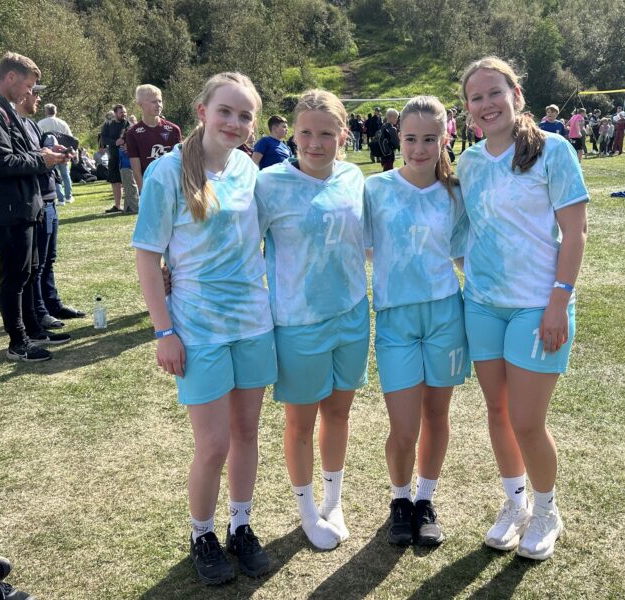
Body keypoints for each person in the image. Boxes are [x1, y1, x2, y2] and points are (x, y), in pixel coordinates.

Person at [133, 72, 275, 585]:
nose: (234, 123)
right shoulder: (167, 172)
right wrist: (163, 332)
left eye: (244, 115)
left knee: (246, 434)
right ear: (202, 112)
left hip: (253, 323)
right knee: (213, 445)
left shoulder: (249, 169)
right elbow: (147, 257)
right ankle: (202, 534)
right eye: (225, 112)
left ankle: (241, 526)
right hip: (198, 329)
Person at [458, 56, 588, 561]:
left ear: (516, 95)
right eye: (476, 97)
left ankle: (547, 509)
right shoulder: (469, 162)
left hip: (538, 306)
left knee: (527, 421)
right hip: (483, 305)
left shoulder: (553, 150)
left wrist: (559, 301)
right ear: (468, 108)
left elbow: (575, 232)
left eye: (495, 92)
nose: (486, 104)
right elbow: (465, 230)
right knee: (497, 411)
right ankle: (515, 504)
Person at [255, 89, 369, 552]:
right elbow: (237, 244)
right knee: (300, 423)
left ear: (343, 135)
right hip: (298, 322)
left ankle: (333, 503)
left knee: (338, 414)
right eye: (305, 132)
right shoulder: (269, 184)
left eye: (325, 133)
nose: (315, 143)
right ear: (293, 134)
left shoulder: (354, 177)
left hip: (352, 316)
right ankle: (306, 513)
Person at [364, 95, 470, 547]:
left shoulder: (455, 192)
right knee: (404, 427)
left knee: (436, 414)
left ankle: (425, 500)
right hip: (396, 318)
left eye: (430, 139)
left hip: (445, 314)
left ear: (445, 137)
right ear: (398, 137)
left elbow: (463, 254)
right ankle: (400, 500)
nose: (419, 148)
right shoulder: (376, 189)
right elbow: (355, 246)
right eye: (410, 138)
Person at [0, 52, 72, 362]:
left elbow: (17, 155)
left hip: (23, 203)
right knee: (14, 277)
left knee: (29, 273)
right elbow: (0, 162)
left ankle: (34, 330)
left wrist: (44, 154)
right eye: (28, 86)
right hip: (7, 207)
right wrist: (43, 160)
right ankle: (18, 343)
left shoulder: (4, 111)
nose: (29, 93)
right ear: (11, 78)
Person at [17, 87, 84, 332]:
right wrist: (46, 155)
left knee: (49, 258)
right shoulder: (15, 125)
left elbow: (40, 155)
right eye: (34, 91)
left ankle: (52, 303)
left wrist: (57, 154)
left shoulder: (33, 126)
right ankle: (39, 312)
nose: (38, 97)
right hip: (36, 201)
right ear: (23, 93)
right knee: (37, 263)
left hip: (49, 197)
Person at [125, 84, 182, 192]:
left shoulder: (173, 129)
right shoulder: (133, 133)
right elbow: (136, 170)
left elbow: (180, 162)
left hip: (174, 186)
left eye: (160, 101)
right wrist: (144, 193)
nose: (158, 105)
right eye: (154, 102)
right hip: (151, 187)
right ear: (141, 105)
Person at [37, 103, 75, 205]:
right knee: (65, 174)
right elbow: (70, 138)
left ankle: (60, 198)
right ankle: (68, 196)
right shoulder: (62, 123)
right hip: (62, 151)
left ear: (46, 111)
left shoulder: (40, 123)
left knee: (55, 175)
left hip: (50, 152)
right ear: (55, 111)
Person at [100, 104, 128, 213]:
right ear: (115, 113)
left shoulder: (128, 124)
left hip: (126, 157)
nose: (124, 114)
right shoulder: (108, 125)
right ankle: (117, 205)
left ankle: (131, 204)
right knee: (115, 181)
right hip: (113, 156)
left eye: (125, 112)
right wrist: (115, 142)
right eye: (121, 112)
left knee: (128, 181)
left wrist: (126, 143)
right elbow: (103, 139)